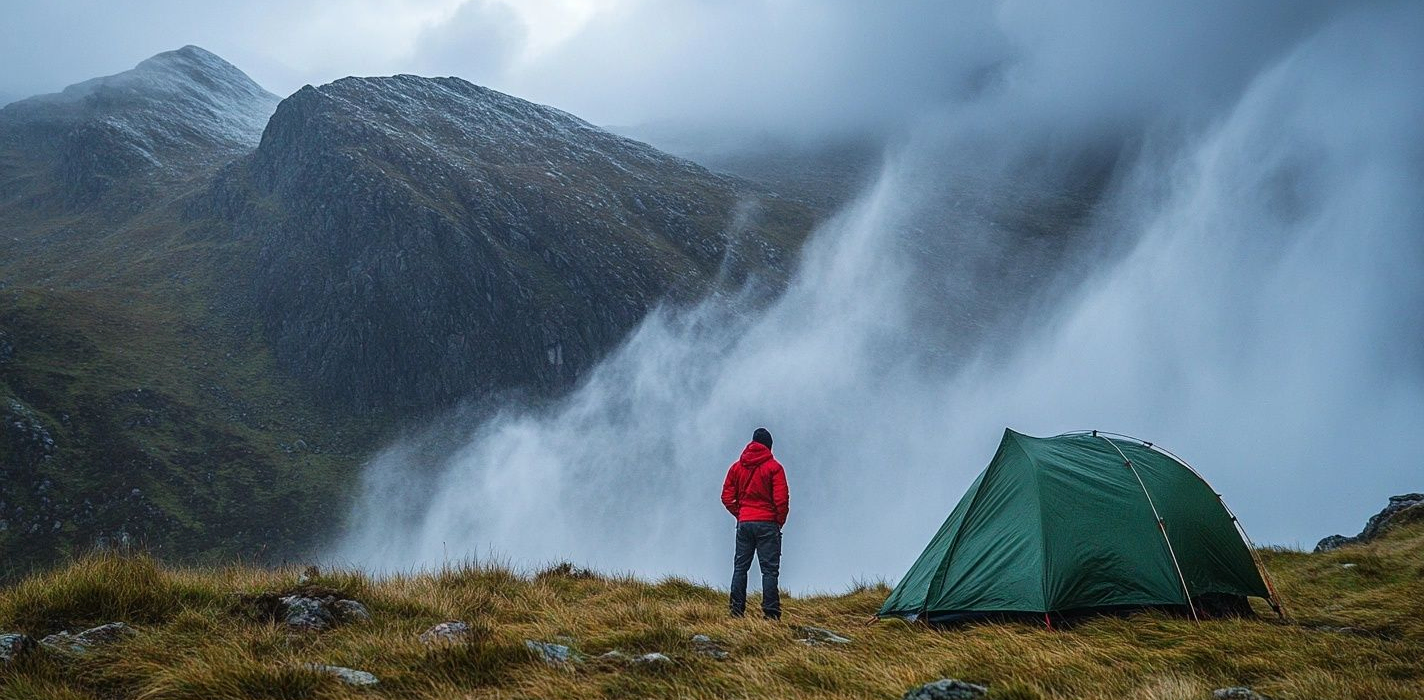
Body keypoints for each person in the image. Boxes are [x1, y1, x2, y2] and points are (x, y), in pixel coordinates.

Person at [721, 427, 789, 620]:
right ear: (769, 446)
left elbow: (726, 496)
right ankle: (771, 614)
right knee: (769, 571)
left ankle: (736, 611)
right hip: (767, 524)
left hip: (745, 523)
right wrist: (778, 522)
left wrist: (740, 514)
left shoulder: (736, 467)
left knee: (740, 568)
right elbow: (782, 500)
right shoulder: (774, 468)